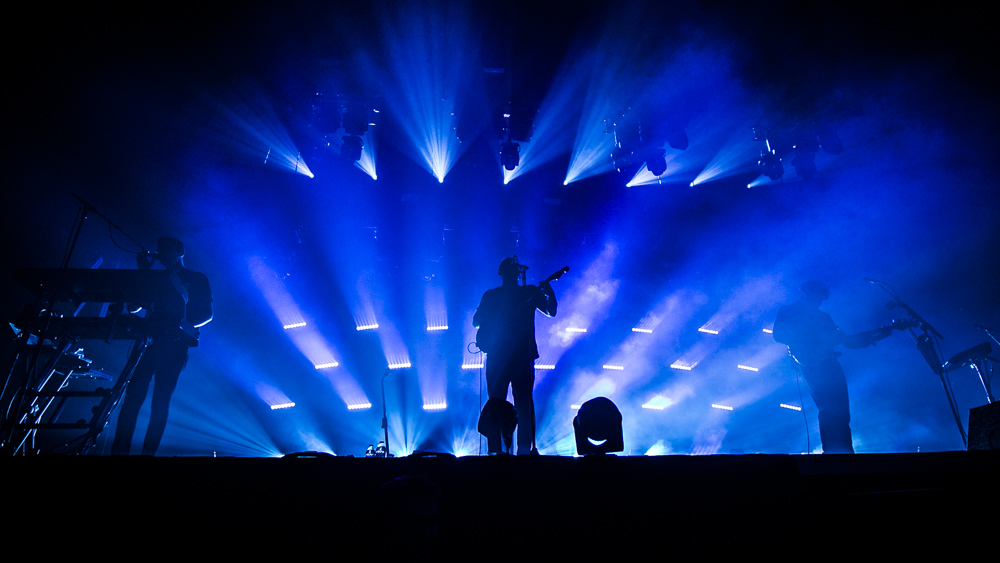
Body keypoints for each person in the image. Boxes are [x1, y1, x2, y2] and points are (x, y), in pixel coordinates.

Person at [111, 237, 212, 455]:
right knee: (132, 399)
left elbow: (207, 314)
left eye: (167, 250)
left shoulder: (196, 278)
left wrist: (181, 325)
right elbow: (133, 306)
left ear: (180, 251)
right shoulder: (153, 278)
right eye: (160, 251)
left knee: (160, 402)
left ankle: (148, 455)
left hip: (174, 346)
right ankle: (119, 453)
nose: (163, 254)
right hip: (147, 343)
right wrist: (143, 273)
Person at [772, 281, 891, 454]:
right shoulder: (788, 311)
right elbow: (778, 335)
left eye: (821, 299)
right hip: (811, 365)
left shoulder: (823, 317)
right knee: (829, 410)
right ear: (805, 293)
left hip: (828, 364)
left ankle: (844, 452)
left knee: (841, 411)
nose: (818, 302)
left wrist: (876, 337)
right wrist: (810, 340)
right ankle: (833, 454)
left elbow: (846, 341)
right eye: (816, 297)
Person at [473, 257, 557, 455]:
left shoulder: (527, 292)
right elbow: (477, 321)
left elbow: (551, 311)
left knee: (520, 403)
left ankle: (518, 451)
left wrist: (548, 291)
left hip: (517, 356)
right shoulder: (498, 295)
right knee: (507, 403)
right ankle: (504, 450)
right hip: (504, 356)